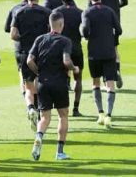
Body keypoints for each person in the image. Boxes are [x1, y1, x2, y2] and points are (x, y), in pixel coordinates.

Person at [28, 12, 79, 161]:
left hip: (43, 83)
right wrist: (74, 68)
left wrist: (40, 72)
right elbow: (66, 61)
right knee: (63, 116)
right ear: (61, 25)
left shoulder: (40, 39)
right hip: (59, 83)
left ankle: (38, 138)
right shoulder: (65, 41)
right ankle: (60, 152)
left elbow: (29, 61)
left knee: (44, 118)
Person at [11, 0, 51, 131]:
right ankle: (41, 112)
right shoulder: (46, 12)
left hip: (25, 52)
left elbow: (13, 35)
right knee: (40, 82)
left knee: (28, 86)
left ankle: (30, 108)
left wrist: (24, 37)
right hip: (42, 53)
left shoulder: (19, 12)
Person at [81, 0, 122, 129]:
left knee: (95, 82)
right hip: (109, 52)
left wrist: (87, 35)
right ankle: (109, 115)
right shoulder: (109, 11)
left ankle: (100, 113)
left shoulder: (87, 12)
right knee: (110, 84)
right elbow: (119, 29)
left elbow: (85, 30)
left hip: (94, 52)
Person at [89, 0, 128, 89]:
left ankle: (106, 76)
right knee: (114, 47)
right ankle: (116, 69)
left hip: (100, 23)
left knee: (101, 49)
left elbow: (89, 7)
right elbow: (125, 1)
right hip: (114, 21)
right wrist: (115, 8)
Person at [54, 0, 84, 117]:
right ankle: (76, 108)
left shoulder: (56, 12)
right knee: (78, 78)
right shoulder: (80, 12)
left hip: (60, 50)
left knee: (61, 79)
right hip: (76, 48)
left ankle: (63, 106)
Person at [5, 0, 28, 97]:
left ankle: (27, 100)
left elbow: (7, 28)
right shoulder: (39, 10)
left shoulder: (15, 9)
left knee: (21, 73)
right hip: (35, 46)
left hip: (20, 48)